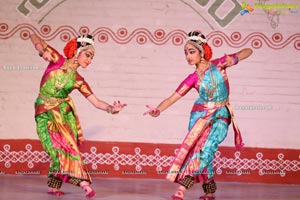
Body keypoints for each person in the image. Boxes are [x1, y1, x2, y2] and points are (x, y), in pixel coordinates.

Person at [144, 30, 252, 200]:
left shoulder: (219, 64)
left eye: (191, 51)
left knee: (207, 148)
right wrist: (157, 110)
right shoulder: (192, 78)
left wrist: (234, 59)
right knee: (202, 151)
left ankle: (182, 187)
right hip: (200, 116)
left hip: (221, 114)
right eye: (185, 52)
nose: (188, 56)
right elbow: (172, 98)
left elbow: (248, 51)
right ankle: (209, 192)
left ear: (202, 52)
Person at [30, 33, 126, 198]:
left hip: (62, 114)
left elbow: (96, 102)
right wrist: (41, 51)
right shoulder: (57, 60)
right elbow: (34, 37)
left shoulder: (78, 79)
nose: (89, 60)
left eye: (91, 58)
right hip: (44, 112)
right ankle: (76, 182)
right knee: (55, 150)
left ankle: (81, 184)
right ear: (77, 51)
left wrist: (112, 108)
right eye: (88, 55)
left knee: (67, 147)